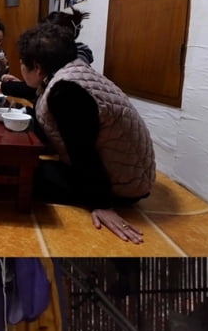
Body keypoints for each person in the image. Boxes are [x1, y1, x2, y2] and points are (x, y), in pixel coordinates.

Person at [16, 23, 155, 244]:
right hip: (126, 172)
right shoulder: (72, 74)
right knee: (28, 163)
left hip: (122, 186)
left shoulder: (66, 91)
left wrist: (101, 204)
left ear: (38, 67)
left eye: (22, 63)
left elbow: (82, 151)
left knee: (20, 174)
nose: (20, 69)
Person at [0, 8, 94, 107]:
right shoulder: (61, 56)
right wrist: (23, 83)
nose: (40, 38)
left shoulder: (71, 64)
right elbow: (40, 88)